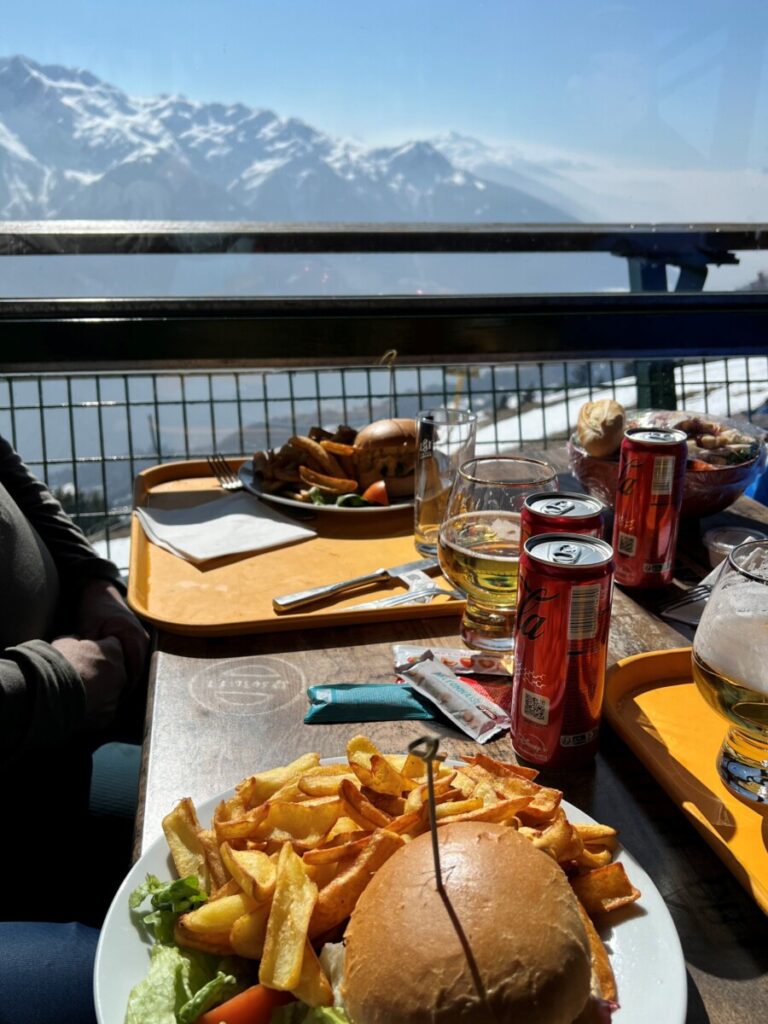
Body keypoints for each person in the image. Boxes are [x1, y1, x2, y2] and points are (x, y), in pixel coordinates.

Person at [0, 433, 149, 1023]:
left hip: (52, 734)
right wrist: (55, 680)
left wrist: (94, 581)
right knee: (127, 991)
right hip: (23, 765)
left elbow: (12, 475)